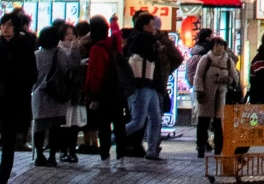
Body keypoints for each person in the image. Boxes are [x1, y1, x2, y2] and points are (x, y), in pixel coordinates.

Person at [0, 9, 38, 184]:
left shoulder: (23, 46)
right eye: (3, 24)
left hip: (14, 100)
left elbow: (32, 73)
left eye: (9, 25)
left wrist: (21, 87)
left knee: (9, 139)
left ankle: (4, 176)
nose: (5, 28)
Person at [31, 22, 79, 166]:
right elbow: (67, 69)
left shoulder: (36, 55)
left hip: (39, 95)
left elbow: (32, 75)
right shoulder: (61, 53)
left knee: (39, 127)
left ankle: (39, 155)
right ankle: (52, 156)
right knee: (55, 128)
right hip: (57, 96)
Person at [82, 16, 126, 164]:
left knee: (104, 125)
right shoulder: (115, 43)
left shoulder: (97, 49)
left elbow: (95, 74)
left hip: (104, 92)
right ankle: (121, 155)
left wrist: (92, 94)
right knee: (119, 123)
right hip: (118, 90)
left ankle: (105, 155)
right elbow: (117, 33)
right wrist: (114, 22)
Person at [124, 14, 168, 159]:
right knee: (139, 120)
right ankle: (114, 137)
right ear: (145, 26)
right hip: (142, 84)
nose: (155, 27)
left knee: (155, 118)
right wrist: (157, 44)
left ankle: (152, 151)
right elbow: (150, 57)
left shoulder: (143, 39)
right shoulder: (141, 39)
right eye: (152, 24)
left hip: (150, 84)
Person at [193, 37, 240, 158]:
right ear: (212, 47)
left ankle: (219, 148)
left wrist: (229, 80)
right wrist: (199, 91)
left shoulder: (228, 61)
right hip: (206, 95)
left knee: (219, 122)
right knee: (203, 121)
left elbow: (235, 77)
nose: (218, 48)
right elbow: (198, 76)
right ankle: (201, 147)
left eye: (221, 45)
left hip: (221, 94)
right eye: (216, 45)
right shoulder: (206, 59)